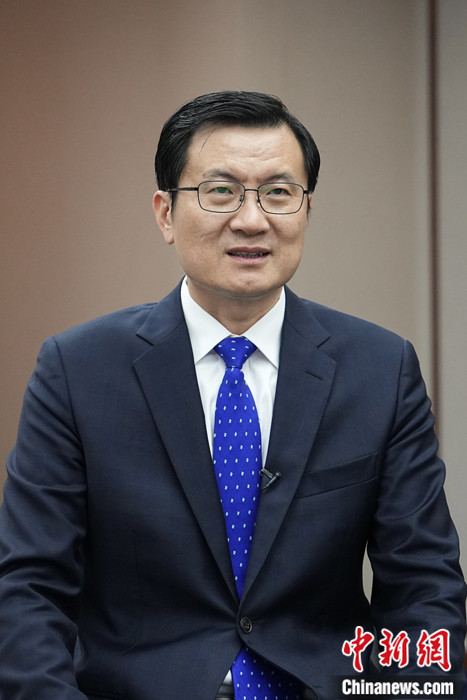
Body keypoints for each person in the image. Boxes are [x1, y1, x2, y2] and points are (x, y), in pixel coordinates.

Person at [0, 91, 465, 700]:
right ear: (165, 214)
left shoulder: (380, 369)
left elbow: (424, 587)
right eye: (220, 191)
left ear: (306, 209)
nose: (251, 220)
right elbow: (28, 589)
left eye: (279, 192)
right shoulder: (78, 370)